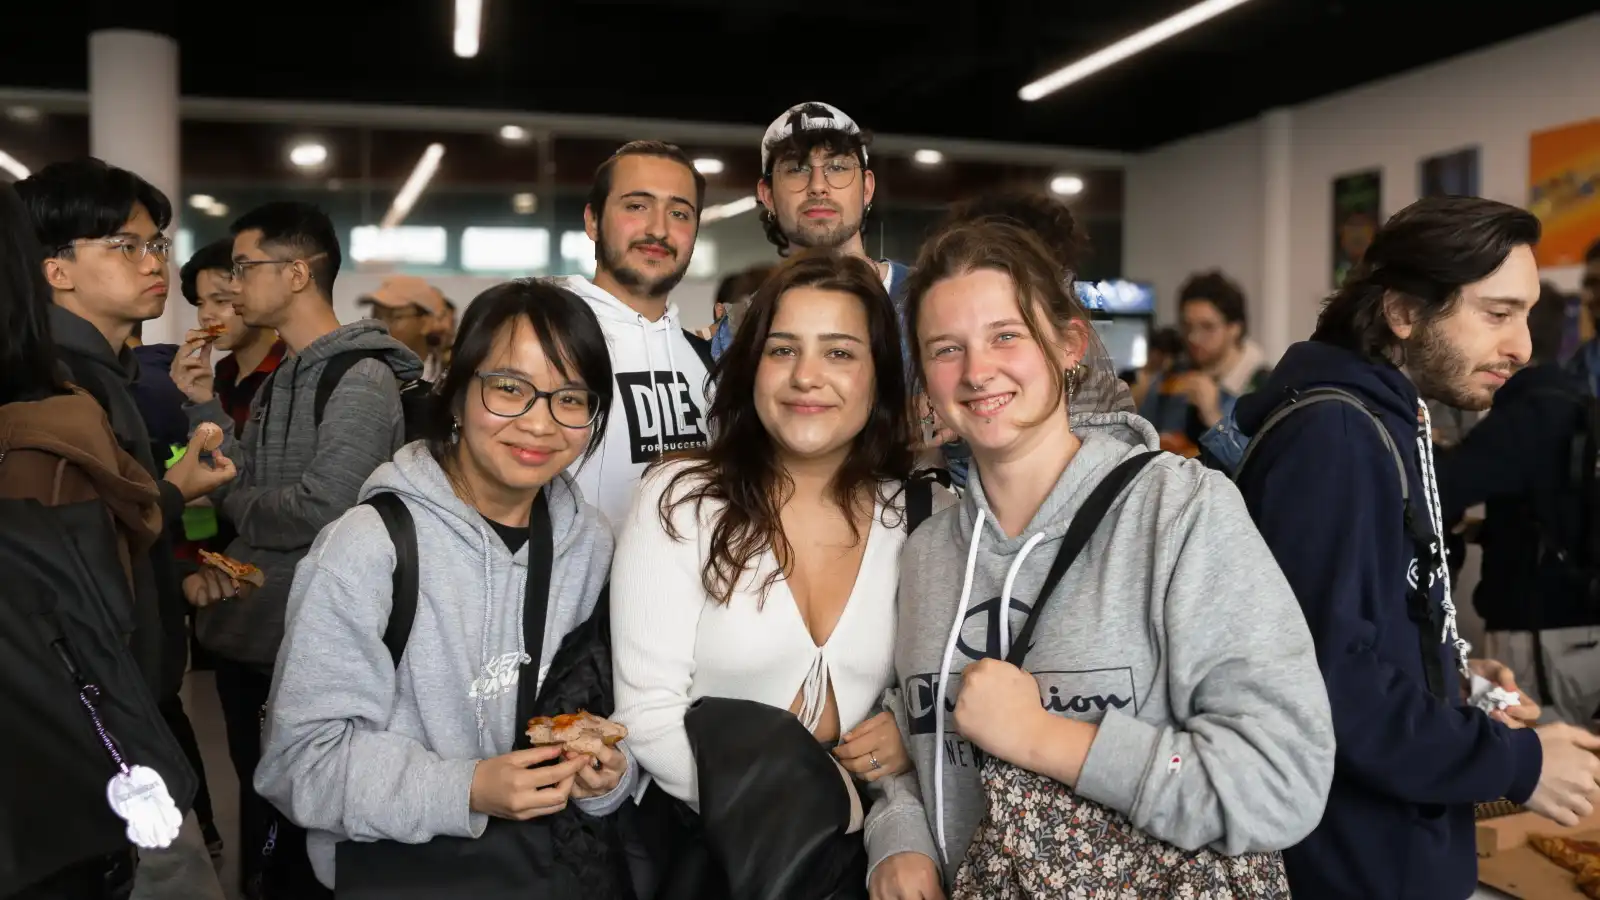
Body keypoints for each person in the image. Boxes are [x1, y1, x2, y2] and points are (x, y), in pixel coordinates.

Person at [867, 220, 1335, 899]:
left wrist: (1042, 738)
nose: (976, 372)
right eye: (946, 349)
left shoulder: (1179, 512)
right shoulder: (929, 553)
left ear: (1067, 345)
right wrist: (900, 832)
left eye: (1006, 336)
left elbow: (1281, 781)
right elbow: (911, 733)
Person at [1231, 196, 1600, 900]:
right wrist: (1518, 765)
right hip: (1352, 862)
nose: (1523, 348)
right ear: (1402, 313)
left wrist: (1451, 678)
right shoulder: (1335, 438)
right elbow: (1325, 686)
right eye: (1496, 314)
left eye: (1525, 315)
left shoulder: (1381, 418)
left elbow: (1358, 636)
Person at [254, 279, 630, 895]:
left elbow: (607, 710)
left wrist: (609, 776)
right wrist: (468, 787)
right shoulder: (367, 548)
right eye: (509, 389)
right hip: (399, 874)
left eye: (570, 398)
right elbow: (300, 764)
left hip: (539, 873)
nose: (539, 423)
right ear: (456, 396)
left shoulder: (590, 545)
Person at [612, 251, 942, 896]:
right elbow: (648, 717)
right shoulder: (682, 497)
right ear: (751, 366)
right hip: (711, 857)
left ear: (879, 375)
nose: (806, 377)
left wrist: (908, 731)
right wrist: (813, 818)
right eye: (782, 349)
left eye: (841, 353)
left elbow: (936, 694)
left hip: (859, 865)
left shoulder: (921, 514)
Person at [168, 201, 422, 898]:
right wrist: (201, 405)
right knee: (262, 825)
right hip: (254, 633)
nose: (236, 284)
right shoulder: (288, 372)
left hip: (308, 644)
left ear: (299, 272)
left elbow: (326, 509)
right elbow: (240, 468)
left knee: (300, 843)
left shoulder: (360, 378)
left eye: (247, 267)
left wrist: (229, 500)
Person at [16, 159, 234, 900]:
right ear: (55, 269)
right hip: (93, 718)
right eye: (124, 246)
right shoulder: (55, 386)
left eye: (158, 245)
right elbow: (67, 579)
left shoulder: (109, 372)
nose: (154, 265)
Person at [1432, 281, 1600, 726]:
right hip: (1585, 626)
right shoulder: (1581, 403)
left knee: (1535, 766)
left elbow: (1440, 491)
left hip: (1537, 636)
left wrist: (1429, 452)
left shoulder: (1525, 415)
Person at [555, 140, 712, 527]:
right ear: (593, 221)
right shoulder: (544, 340)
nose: (658, 229)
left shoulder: (712, 361)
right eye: (637, 206)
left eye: (679, 213)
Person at [1138, 271, 1271, 457]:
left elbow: (1262, 466)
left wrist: (1213, 416)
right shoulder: (1169, 379)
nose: (1194, 337)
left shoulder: (1264, 388)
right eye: (1187, 326)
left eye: (1207, 327)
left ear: (1234, 328)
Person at [359, 275, 448, 381]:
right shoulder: (362, 373)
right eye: (376, 315)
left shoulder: (447, 380)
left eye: (394, 317)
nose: (380, 325)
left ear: (426, 324)